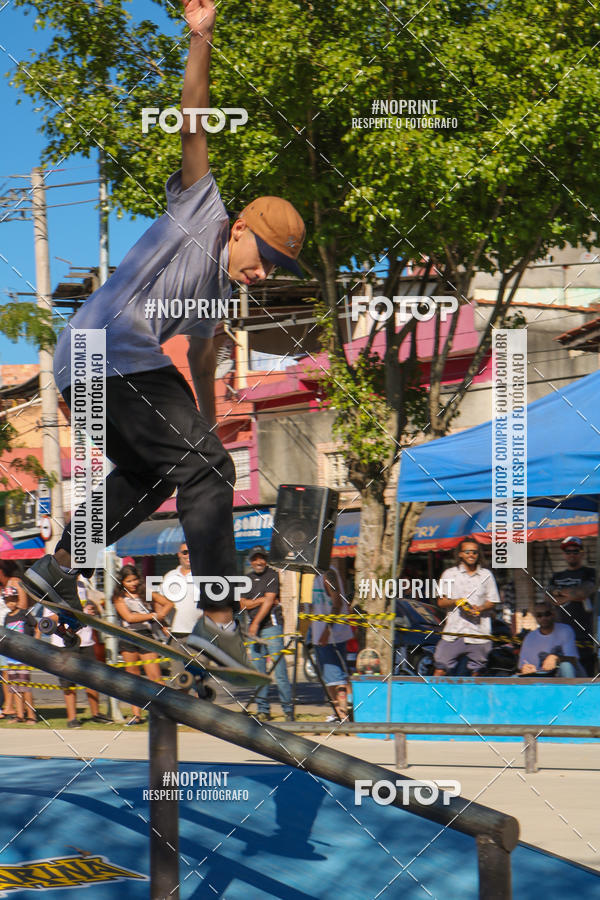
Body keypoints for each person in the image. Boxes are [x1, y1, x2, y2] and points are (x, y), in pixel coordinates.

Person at [23, 0, 305, 673]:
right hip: (109, 352)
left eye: (274, 270)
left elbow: (202, 361)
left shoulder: (215, 295)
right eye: (261, 257)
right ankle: (216, 619)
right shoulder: (199, 210)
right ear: (238, 227)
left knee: (158, 474)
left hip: (93, 365)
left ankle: (59, 567)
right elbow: (193, 123)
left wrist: (203, 441)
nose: (261, 274)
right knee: (204, 466)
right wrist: (200, 40)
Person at [43, 579, 113, 728]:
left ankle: (96, 713)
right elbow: (49, 618)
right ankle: (72, 718)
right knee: (68, 681)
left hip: (86, 639)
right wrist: (72, 614)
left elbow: (87, 608)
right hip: (63, 642)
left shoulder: (82, 585)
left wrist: (89, 612)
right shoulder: (54, 587)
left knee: (92, 678)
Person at [113, 565, 173, 724]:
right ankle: (136, 714)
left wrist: (161, 616)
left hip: (146, 636)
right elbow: (129, 618)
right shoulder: (119, 597)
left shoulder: (144, 591)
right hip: (128, 636)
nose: (133, 583)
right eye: (128, 581)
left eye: (135, 579)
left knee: (155, 676)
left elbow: (168, 603)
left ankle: (163, 710)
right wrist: (152, 615)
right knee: (133, 677)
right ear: (122, 582)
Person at [239, 546, 293, 722]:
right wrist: (263, 599)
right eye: (255, 558)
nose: (258, 562)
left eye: (261, 558)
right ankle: (263, 709)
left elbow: (270, 602)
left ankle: (288, 710)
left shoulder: (272, 575)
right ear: (250, 561)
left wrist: (255, 620)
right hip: (255, 631)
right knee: (259, 673)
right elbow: (243, 604)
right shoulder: (246, 579)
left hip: (272, 627)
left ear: (266, 559)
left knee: (280, 671)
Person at [433, 539, 500, 676]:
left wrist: (480, 608)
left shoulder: (486, 575)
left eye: (474, 552)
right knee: (440, 668)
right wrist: (456, 602)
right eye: (467, 552)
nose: (471, 555)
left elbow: (493, 601)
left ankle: (471, 696)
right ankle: (433, 696)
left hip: (479, 633)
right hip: (454, 632)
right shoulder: (449, 574)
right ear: (460, 554)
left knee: (477, 672)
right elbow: (440, 602)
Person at [547, 536, 596, 676]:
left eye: (575, 551)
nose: (571, 554)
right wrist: (573, 594)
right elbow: (548, 596)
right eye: (568, 551)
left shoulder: (590, 573)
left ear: (582, 553)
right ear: (563, 554)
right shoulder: (557, 576)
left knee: (587, 676)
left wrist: (559, 594)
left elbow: (584, 591)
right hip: (561, 636)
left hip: (586, 635)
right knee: (565, 673)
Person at [310, 566, 353, 723]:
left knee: (336, 677)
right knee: (330, 678)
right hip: (321, 634)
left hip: (331, 636)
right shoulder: (316, 577)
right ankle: (337, 713)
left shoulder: (329, 574)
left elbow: (338, 603)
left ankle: (342, 715)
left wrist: (327, 632)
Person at [0, 560, 37, 722]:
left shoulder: (16, 584)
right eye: (8, 600)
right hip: (7, 647)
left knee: (23, 684)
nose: (10, 602)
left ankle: (29, 714)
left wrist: (34, 643)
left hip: (20, 646)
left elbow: (33, 624)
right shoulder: (7, 613)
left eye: (12, 599)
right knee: (10, 680)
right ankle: (17, 712)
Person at [161, 543, 202, 676]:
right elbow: (159, 601)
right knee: (180, 680)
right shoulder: (169, 576)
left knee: (198, 679)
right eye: (185, 552)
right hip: (176, 636)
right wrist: (163, 624)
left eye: (191, 552)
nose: (188, 555)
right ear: (179, 554)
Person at [519, 601, 581, 677]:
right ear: (535, 617)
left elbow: (574, 659)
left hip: (563, 676)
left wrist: (556, 658)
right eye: (539, 615)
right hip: (541, 678)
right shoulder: (529, 637)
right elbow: (522, 665)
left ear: (553, 614)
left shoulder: (565, 630)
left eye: (547, 614)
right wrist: (525, 668)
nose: (543, 618)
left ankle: (570, 689)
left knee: (566, 666)